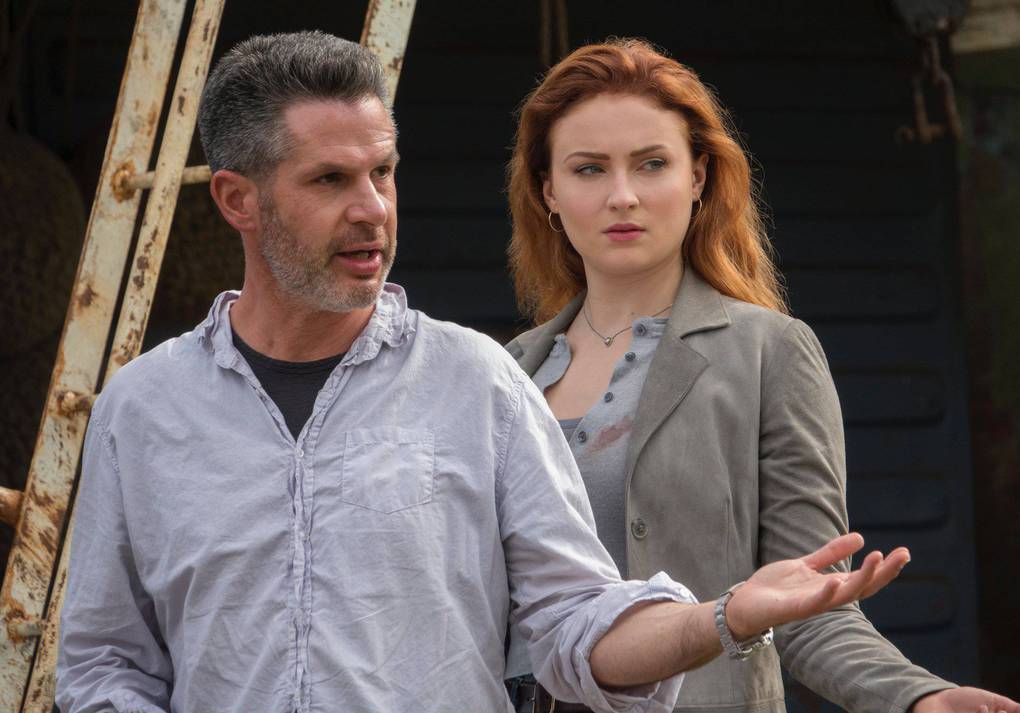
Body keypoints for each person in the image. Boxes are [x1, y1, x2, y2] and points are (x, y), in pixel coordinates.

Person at [57, 31, 911, 713]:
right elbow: (103, 664)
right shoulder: (141, 409)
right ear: (237, 200)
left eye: (383, 172)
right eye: (331, 179)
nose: (373, 209)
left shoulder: (479, 380)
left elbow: (575, 619)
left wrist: (725, 615)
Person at [503, 39, 1020, 713]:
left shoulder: (770, 353)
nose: (623, 195)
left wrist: (916, 697)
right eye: (589, 169)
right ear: (548, 190)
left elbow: (812, 607)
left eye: (652, 163)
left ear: (699, 176)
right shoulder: (508, 371)